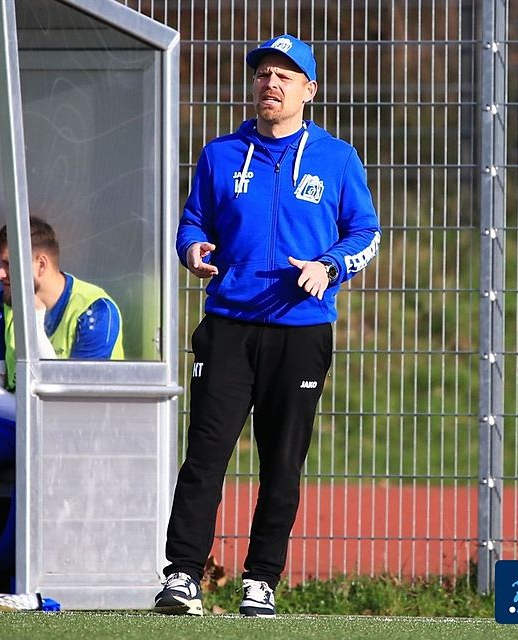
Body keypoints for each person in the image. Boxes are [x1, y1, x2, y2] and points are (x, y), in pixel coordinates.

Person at [153, 34, 381, 618]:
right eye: (262, 74)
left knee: (282, 461)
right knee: (205, 454)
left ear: (309, 90)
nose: (270, 84)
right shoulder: (220, 154)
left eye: (284, 76)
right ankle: (182, 575)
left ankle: (261, 580)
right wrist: (192, 249)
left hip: (301, 331)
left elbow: (366, 234)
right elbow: (193, 221)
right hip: (228, 328)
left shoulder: (337, 158)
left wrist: (329, 266)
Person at [0, 216, 124, 596]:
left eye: (8, 264)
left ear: (40, 264)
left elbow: (68, 404)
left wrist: (34, 322)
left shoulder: (95, 310)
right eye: (0, 263)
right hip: (18, 416)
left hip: (84, 429)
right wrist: (34, 419)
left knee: (39, 449)